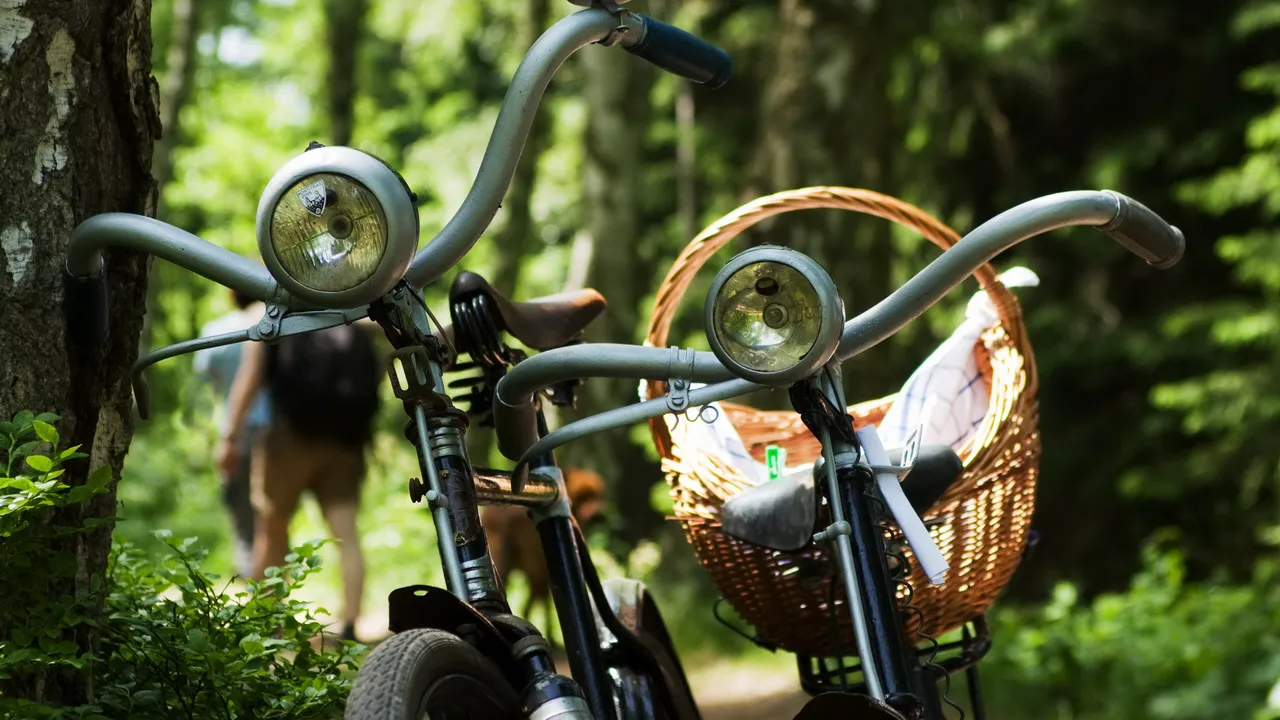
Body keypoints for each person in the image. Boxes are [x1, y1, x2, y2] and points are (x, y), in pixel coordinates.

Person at [216, 321, 383, 643]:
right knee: (346, 534)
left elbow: (249, 380)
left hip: (288, 438)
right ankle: (350, 623)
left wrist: (230, 437)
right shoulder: (352, 317)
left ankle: (266, 621)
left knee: (272, 530)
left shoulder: (278, 319)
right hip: (345, 442)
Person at [193, 289, 271, 578]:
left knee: (240, 505)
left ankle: (250, 571)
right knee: (272, 509)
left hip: (236, 429)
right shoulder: (276, 326)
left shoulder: (215, 331)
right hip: (275, 427)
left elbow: (211, 386)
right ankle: (275, 576)